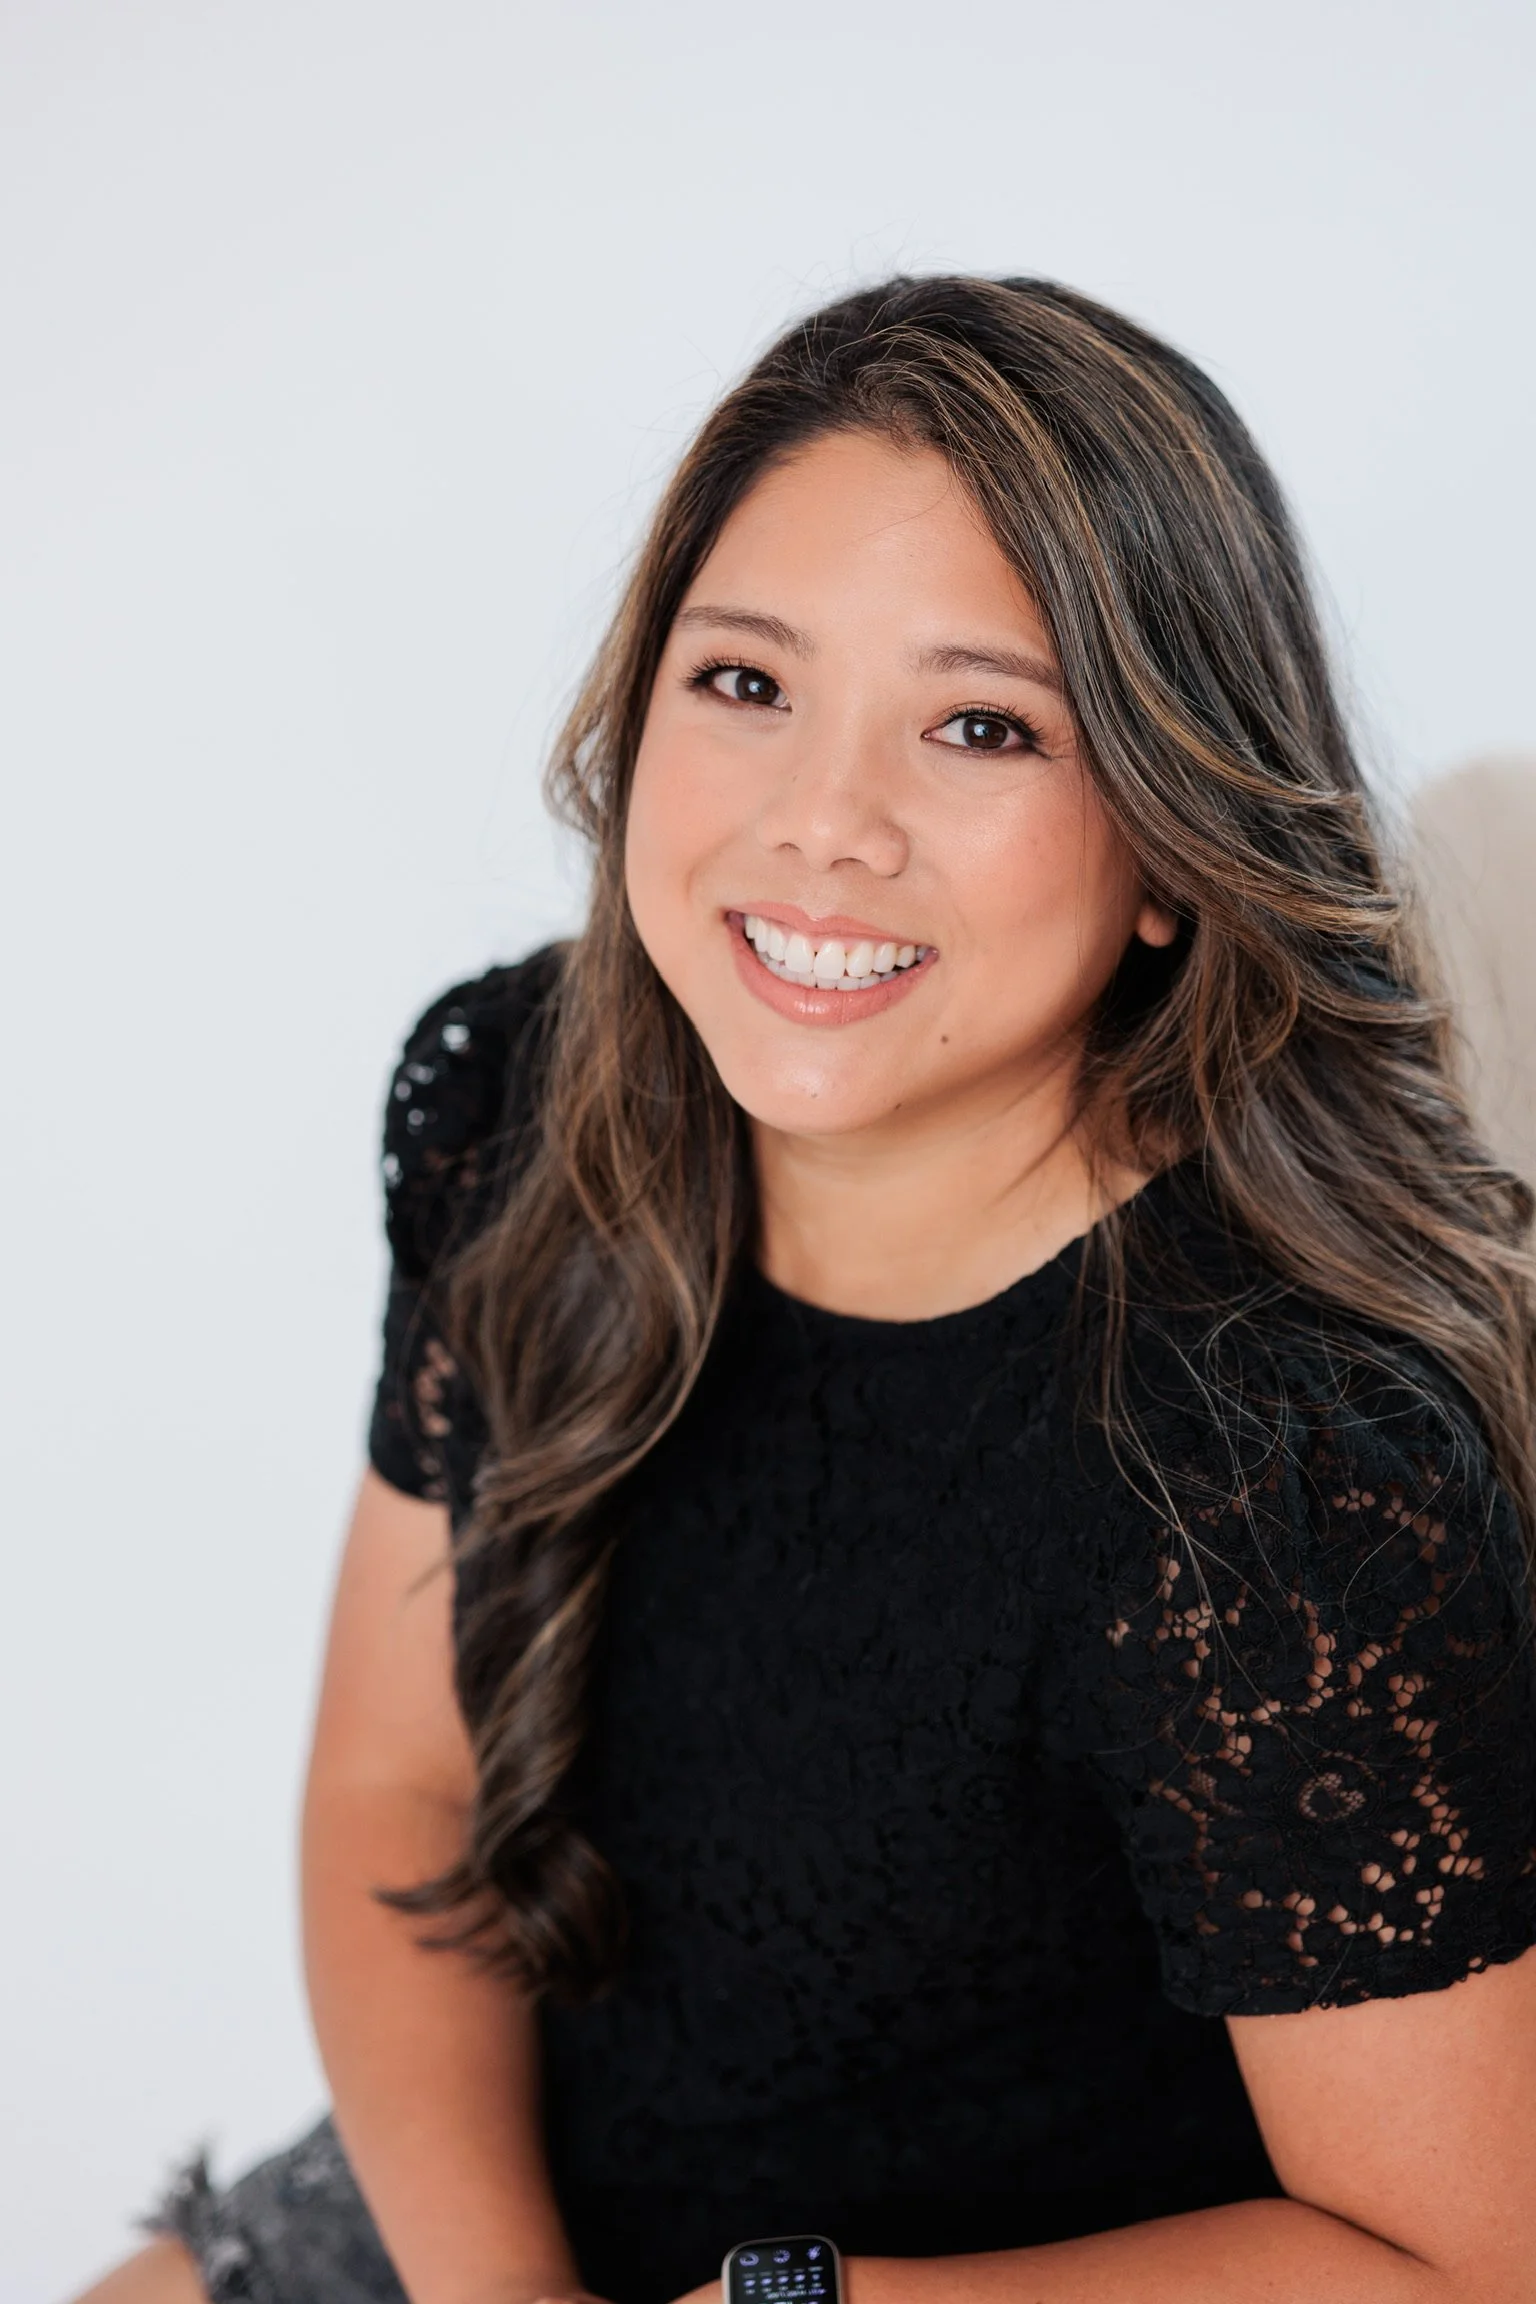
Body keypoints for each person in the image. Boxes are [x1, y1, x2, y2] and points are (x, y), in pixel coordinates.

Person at [76, 276, 1536, 2304]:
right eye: (747, 683)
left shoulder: (1280, 1471)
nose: (822, 825)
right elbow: (395, 1789)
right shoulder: (520, 1102)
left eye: (980, 724)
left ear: (1172, 852)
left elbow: (1456, 2264)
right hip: (528, 2188)